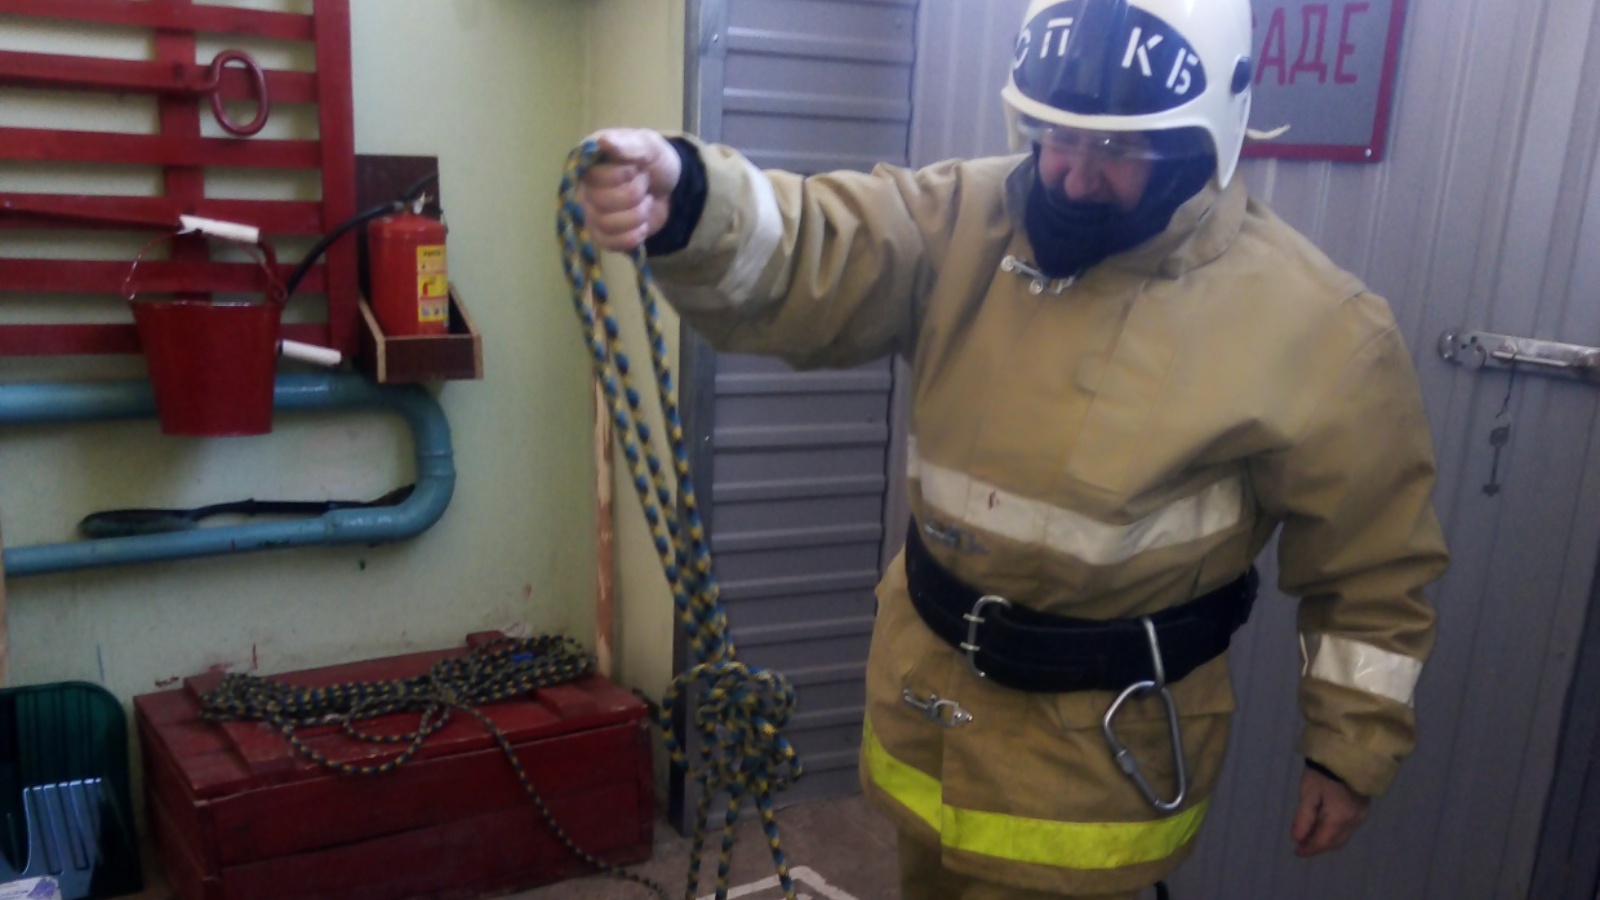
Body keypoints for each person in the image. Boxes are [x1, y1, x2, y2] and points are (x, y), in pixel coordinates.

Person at [575, 0, 1448, 896]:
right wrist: (692, 201)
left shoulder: (1319, 328)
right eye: (1055, 136)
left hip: (1095, 771)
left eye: (1118, 150)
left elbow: (1374, 569)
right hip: (928, 715)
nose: (1072, 175)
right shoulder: (967, 218)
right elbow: (818, 245)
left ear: (1203, 137)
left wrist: (1349, 749)